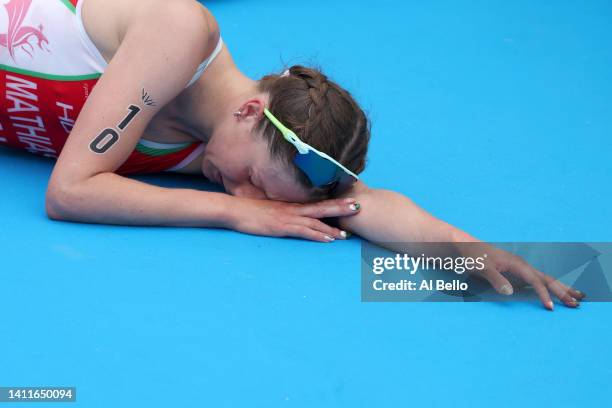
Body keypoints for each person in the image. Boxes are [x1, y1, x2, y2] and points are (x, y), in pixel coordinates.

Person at [0, 0, 584, 309]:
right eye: (252, 176)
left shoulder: (240, 153)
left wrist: (466, 252)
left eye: (255, 194)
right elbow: (70, 190)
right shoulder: (177, 29)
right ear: (252, 112)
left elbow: (364, 206)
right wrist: (236, 215)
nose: (242, 192)